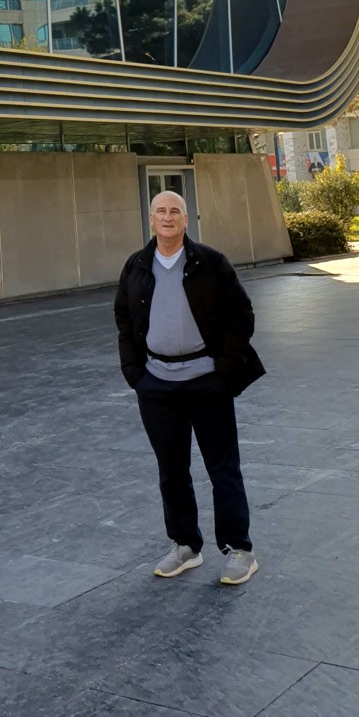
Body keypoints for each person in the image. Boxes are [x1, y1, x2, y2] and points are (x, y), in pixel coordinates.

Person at [114, 190, 265, 586]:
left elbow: (241, 313)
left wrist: (224, 369)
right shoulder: (136, 265)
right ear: (151, 219)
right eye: (160, 211)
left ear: (186, 218)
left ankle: (239, 549)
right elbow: (124, 320)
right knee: (171, 470)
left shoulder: (210, 262)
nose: (167, 217)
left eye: (175, 211)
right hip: (156, 386)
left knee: (223, 468)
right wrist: (135, 374)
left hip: (207, 383)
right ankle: (185, 545)